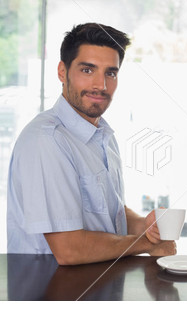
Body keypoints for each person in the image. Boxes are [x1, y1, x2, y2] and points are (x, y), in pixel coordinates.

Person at [7, 23, 176, 265]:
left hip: (97, 289)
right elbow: (69, 250)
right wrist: (148, 243)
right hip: (51, 295)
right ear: (62, 72)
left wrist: (145, 226)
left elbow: (106, 212)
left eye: (111, 73)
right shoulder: (47, 140)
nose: (101, 85)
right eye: (88, 70)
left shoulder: (103, 134)